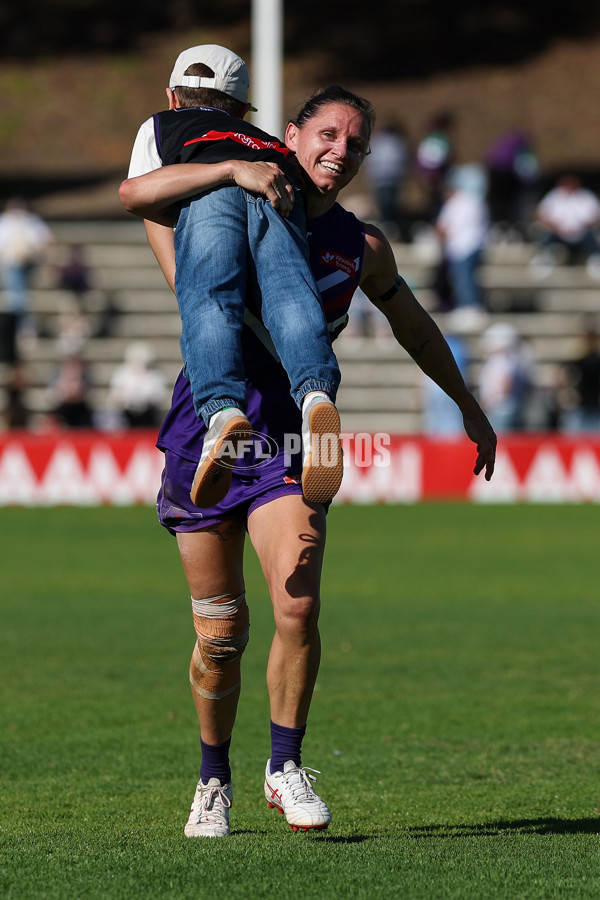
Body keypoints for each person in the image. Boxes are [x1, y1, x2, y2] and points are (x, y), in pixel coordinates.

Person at [122, 85, 497, 838]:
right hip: (208, 426)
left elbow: (416, 327)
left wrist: (468, 404)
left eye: (356, 144)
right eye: (327, 134)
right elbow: (140, 194)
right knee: (220, 634)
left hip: (296, 437)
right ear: (289, 134)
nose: (341, 151)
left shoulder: (362, 246)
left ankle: (285, 765)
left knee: (297, 605)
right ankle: (213, 779)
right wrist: (224, 166)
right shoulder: (224, 200)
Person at [121, 45, 343, 509]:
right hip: (276, 185)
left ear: (173, 97)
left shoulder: (162, 125)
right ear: (243, 110)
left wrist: (224, 172)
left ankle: (223, 413)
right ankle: (317, 398)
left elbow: (135, 194)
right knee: (291, 296)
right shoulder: (270, 144)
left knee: (210, 301)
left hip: (211, 192)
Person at [435, 165, 490, 317]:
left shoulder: (455, 202)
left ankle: (469, 308)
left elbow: (443, 227)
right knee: (470, 278)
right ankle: (472, 306)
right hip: (477, 245)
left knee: (462, 280)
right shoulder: (478, 201)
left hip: (460, 247)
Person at [530, 174, 600, 279]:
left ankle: (596, 263)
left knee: (593, 238)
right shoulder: (553, 196)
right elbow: (539, 215)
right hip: (557, 234)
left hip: (583, 234)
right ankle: (544, 262)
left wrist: (583, 226)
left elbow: (597, 217)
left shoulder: (587, 196)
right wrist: (553, 226)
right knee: (545, 235)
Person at [0, 197, 52, 333]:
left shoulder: (32, 221)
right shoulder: (4, 222)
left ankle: (21, 324)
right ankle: (20, 324)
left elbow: (44, 241)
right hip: (10, 264)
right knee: (18, 296)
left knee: (19, 295)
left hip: (30, 263)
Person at [363, 118, 410, 240]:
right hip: (387, 179)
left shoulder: (381, 141)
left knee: (388, 205)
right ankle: (387, 228)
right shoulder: (393, 142)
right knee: (387, 205)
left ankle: (389, 228)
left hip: (385, 179)